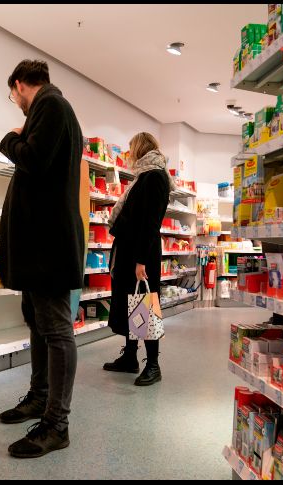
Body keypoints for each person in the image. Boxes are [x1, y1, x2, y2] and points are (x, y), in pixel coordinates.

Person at [0, 59, 85, 459]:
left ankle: (56, 424)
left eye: (12, 95)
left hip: (48, 247)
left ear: (19, 85)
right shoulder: (53, 109)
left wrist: (9, 139)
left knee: (56, 329)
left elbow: (32, 159)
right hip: (40, 246)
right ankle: (39, 397)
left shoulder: (50, 106)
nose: (14, 102)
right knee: (38, 322)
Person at [103, 132, 174, 386]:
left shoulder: (155, 177)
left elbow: (151, 222)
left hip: (140, 254)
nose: (129, 153)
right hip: (130, 251)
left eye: (131, 148)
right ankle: (130, 357)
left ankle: (153, 365)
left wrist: (141, 260)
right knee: (130, 304)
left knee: (144, 305)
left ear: (140, 149)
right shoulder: (143, 177)